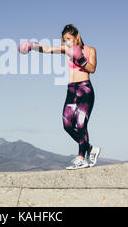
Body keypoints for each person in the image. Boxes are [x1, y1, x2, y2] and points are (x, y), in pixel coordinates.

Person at [18, 24, 101, 170]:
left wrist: (81, 59)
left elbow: (92, 68)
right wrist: (32, 46)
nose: (67, 43)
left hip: (85, 89)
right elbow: (48, 49)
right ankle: (89, 148)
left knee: (81, 124)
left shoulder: (90, 50)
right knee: (67, 125)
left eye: (69, 39)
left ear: (77, 36)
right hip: (71, 90)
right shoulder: (67, 50)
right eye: (64, 40)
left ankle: (81, 157)